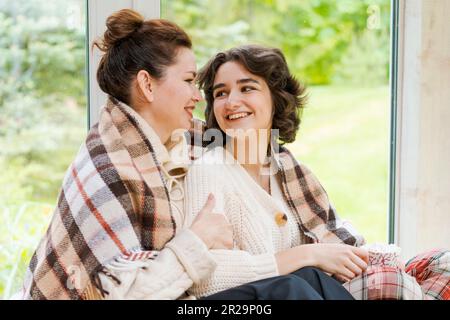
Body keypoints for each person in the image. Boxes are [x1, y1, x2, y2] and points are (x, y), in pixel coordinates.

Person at [183, 44, 450, 300]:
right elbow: (202, 277)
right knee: (297, 284)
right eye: (220, 93)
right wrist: (307, 254)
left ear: (276, 99)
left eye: (247, 88)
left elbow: (329, 241)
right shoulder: (209, 170)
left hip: (303, 289)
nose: (231, 102)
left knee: (441, 264)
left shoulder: (286, 173)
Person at [19, 9, 234, 300]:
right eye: (187, 81)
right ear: (147, 85)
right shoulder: (109, 169)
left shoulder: (170, 140)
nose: (197, 96)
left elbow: (247, 143)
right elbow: (128, 296)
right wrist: (199, 239)